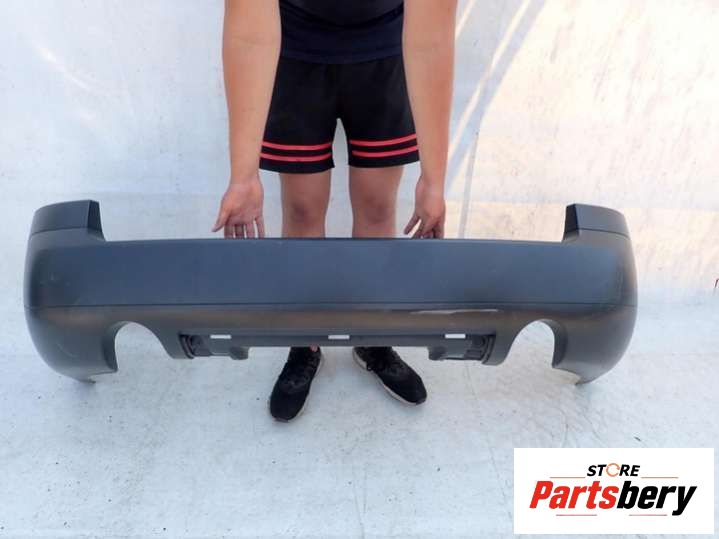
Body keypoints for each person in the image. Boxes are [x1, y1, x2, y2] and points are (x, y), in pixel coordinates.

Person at [214, 0, 457, 422]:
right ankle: (305, 341)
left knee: (377, 205)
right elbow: (249, 33)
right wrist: (243, 177)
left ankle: (372, 336)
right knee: (303, 208)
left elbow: (432, 39)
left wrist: (434, 181)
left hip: (385, 48)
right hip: (295, 49)